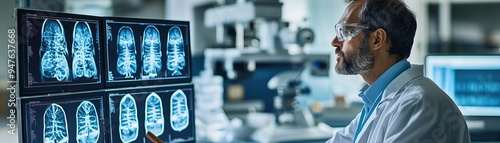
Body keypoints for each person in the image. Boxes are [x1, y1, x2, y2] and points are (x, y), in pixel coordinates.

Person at [326, 0, 471, 142]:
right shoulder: (377, 100)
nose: (335, 42)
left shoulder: (417, 105)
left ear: (377, 39)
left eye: (345, 32)